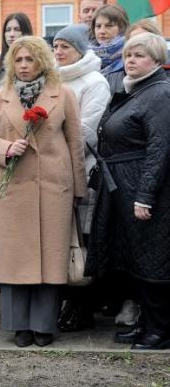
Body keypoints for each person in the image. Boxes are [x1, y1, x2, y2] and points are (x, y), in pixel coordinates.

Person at [0, 36, 86, 347]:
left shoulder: (63, 94)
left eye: (30, 59)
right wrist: (6, 148)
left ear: (43, 62)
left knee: (51, 260)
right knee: (16, 260)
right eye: (19, 60)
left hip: (54, 189)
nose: (24, 66)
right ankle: (19, 326)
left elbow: (75, 144)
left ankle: (44, 326)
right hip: (13, 191)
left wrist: (78, 189)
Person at [87, 33, 170, 350]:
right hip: (125, 186)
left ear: (156, 60)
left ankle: (161, 330)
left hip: (147, 192)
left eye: (139, 55)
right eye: (128, 55)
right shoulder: (136, 91)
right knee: (137, 260)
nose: (131, 60)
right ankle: (147, 323)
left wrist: (145, 196)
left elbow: (160, 150)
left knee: (153, 261)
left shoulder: (160, 93)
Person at [47, 24, 111, 334]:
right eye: (56, 46)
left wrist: (49, 149)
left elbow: (85, 131)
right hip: (49, 172)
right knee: (57, 239)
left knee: (80, 241)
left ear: (80, 49)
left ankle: (81, 306)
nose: (58, 52)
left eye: (65, 47)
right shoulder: (51, 79)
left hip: (80, 169)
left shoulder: (94, 82)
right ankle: (59, 302)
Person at [89, 3, 130, 93]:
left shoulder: (130, 59)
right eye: (98, 26)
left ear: (122, 28)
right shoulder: (86, 58)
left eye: (109, 26)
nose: (102, 31)